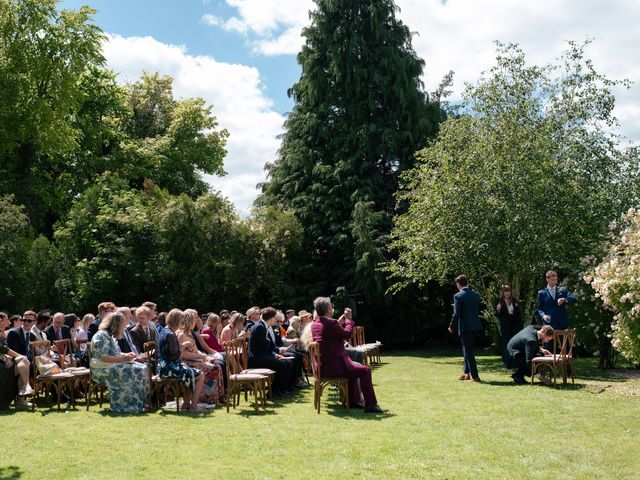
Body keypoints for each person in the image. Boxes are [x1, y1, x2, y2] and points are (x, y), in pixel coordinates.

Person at [309, 297, 383, 413]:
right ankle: (370, 405)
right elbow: (347, 334)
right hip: (335, 368)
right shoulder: (330, 323)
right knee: (365, 370)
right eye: (331, 307)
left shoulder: (315, 324)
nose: (332, 308)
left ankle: (354, 401)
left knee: (355, 366)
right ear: (328, 310)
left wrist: (340, 321)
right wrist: (349, 320)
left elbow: (329, 331)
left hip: (322, 368)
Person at [90, 311, 149, 412]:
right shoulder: (101, 336)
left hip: (110, 365)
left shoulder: (109, 335)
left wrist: (126, 355)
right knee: (136, 371)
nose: (124, 326)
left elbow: (114, 353)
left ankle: (140, 403)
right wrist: (123, 358)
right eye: (122, 324)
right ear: (116, 324)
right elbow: (103, 357)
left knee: (143, 367)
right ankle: (127, 405)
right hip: (102, 368)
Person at [157, 309, 205, 411]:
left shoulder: (165, 331)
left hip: (164, 366)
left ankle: (186, 403)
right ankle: (194, 405)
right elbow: (176, 356)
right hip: (168, 368)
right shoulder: (170, 334)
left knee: (189, 372)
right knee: (200, 375)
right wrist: (184, 346)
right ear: (177, 320)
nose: (182, 323)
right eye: (181, 320)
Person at [177, 310, 224, 405]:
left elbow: (195, 349)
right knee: (210, 368)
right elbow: (183, 354)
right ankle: (204, 397)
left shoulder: (190, 334)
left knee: (217, 366)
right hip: (186, 362)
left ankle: (215, 397)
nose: (195, 323)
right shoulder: (182, 335)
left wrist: (204, 356)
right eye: (194, 321)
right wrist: (199, 356)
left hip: (195, 359)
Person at [248, 307, 296, 397]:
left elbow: (267, 347)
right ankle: (273, 391)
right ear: (271, 318)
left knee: (288, 362)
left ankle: (281, 389)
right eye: (274, 317)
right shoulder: (259, 327)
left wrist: (276, 354)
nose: (275, 319)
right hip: (256, 359)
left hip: (263, 355)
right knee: (283, 364)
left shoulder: (263, 326)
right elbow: (263, 347)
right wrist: (276, 354)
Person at [448, 275, 483, 382]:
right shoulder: (475, 295)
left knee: (468, 351)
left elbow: (457, 314)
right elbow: (471, 307)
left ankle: (475, 376)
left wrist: (451, 325)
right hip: (475, 325)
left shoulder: (458, 296)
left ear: (458, 284)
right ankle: (466, 373)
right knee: (467, 349)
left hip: (465, 326)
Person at [0, 312, 34, 408]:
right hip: (2, 365)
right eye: (6, 319)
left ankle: (22, 396)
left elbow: (5, 351)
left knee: (23, 364)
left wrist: (8, 357)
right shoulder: (12, 332)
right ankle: (23, 394)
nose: (9, 321)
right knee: (24, 362)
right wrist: (6, 357)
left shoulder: (3, 332)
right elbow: (5, 350)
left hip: (6, 361)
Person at [495, 284, 523, 364]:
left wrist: (520, 327)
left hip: (515, 326)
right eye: (505, 291)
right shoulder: (499, 301)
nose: (507, 293)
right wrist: (498, 310)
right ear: (502, 292)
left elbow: (519, 315)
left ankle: (515, 361)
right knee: (506, 344)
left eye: (508, 291)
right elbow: (497, 315)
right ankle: (506, 361)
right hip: (505, 326)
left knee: (514, 344)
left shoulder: (515, 301)